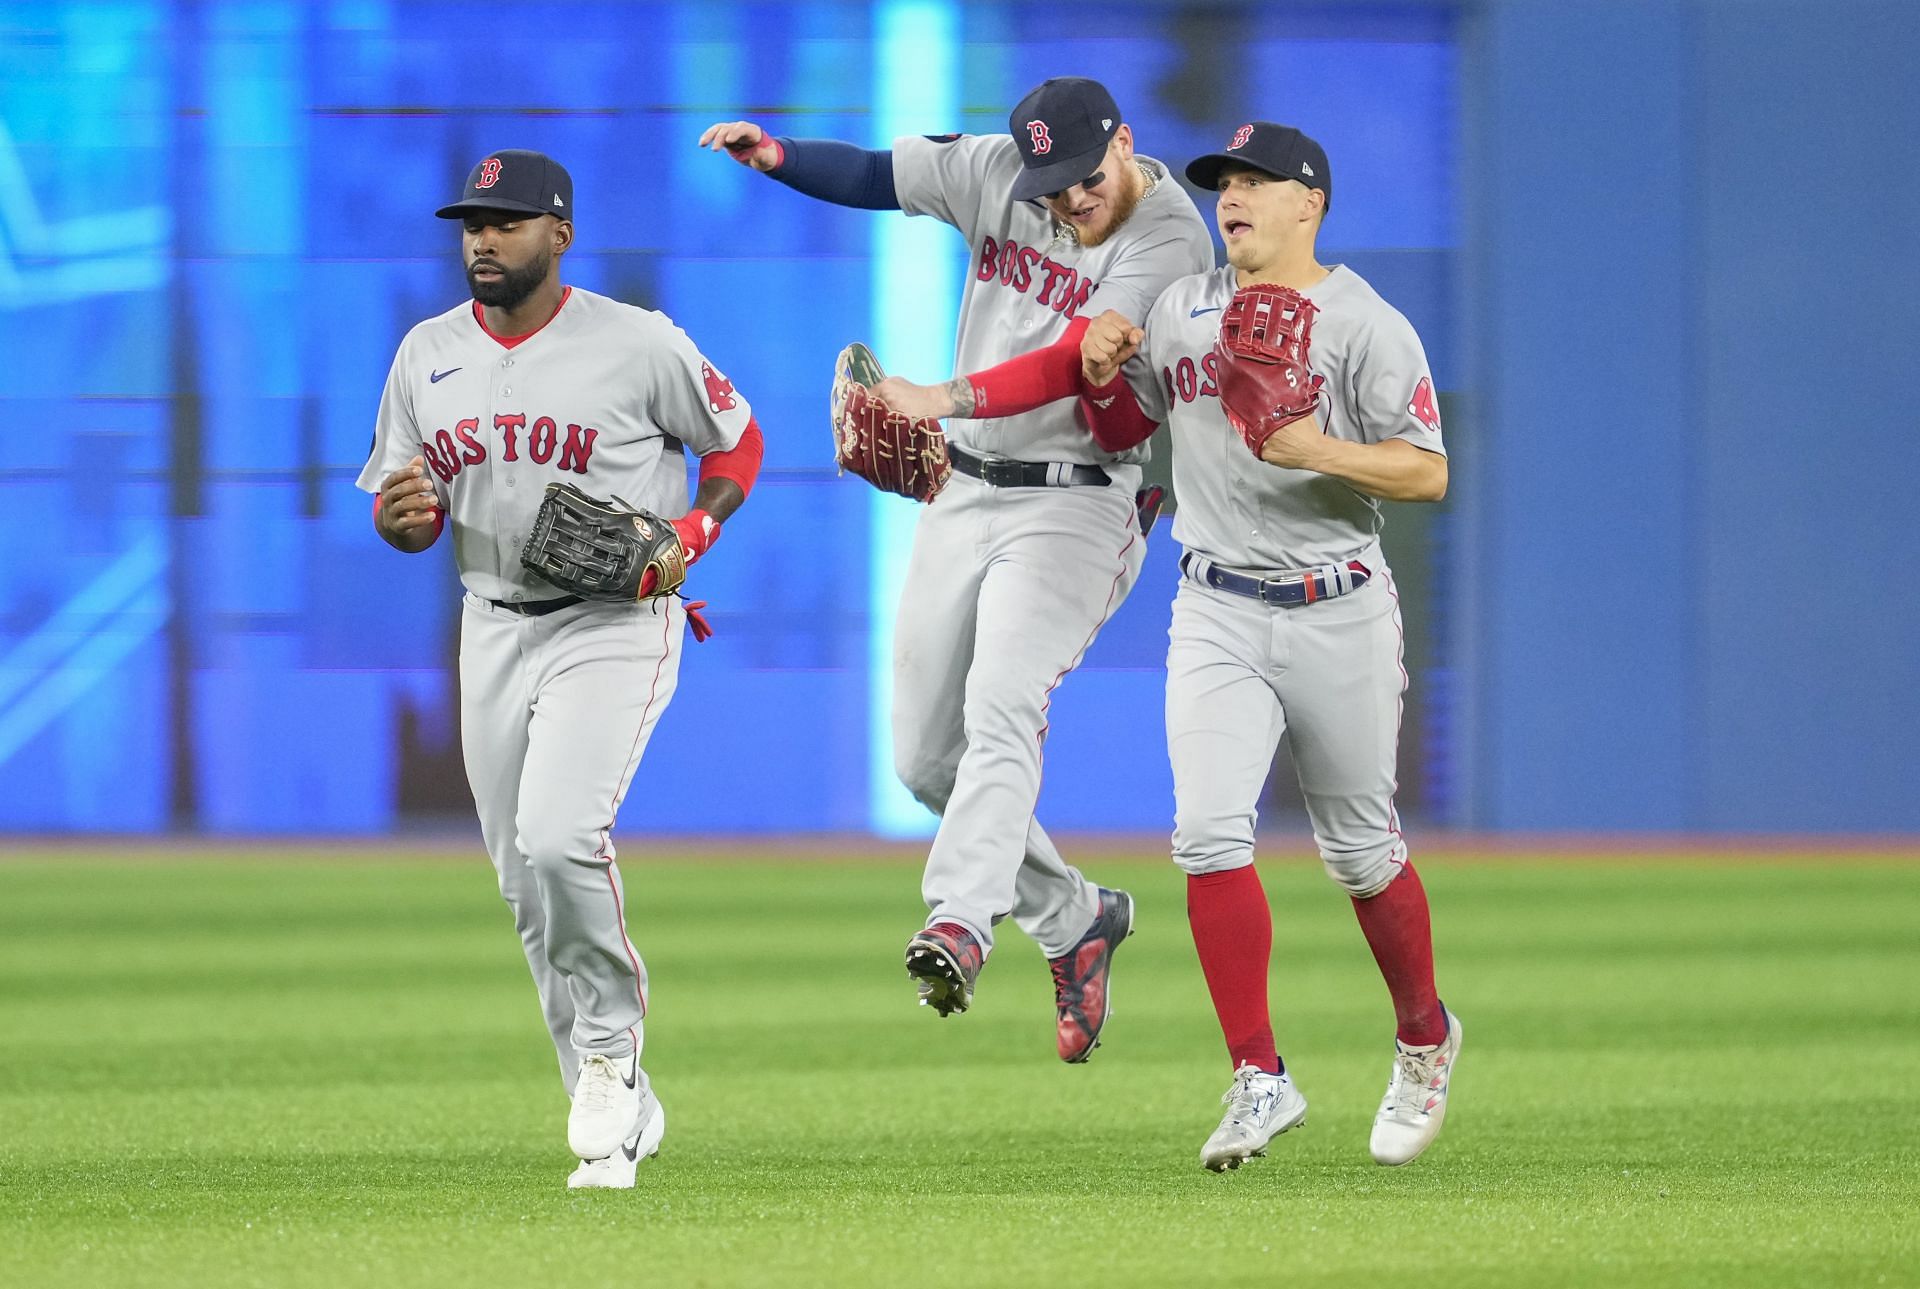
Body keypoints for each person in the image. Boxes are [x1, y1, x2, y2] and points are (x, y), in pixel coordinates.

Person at [698, 78, 1212, 1062]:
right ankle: (1073, 916)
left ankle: (961, 922)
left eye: (1086, 175)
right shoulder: (997, 170)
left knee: (1002, 704)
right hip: (966, 490)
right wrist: (778, 157)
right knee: (926, 759)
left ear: (1127, 142)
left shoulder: (1169, 236)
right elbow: (881, 174)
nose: (1071, 198)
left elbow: (1073, 360)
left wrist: (939, 396)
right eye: (1052, 184)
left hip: (1080, 500)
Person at [358, 149, 764, 1189]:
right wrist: (400, 522)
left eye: (504, 220)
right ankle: (617, 1097)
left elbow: (738, 438)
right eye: (470, 222)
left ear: (558, 232)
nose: (482, 239)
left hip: (613, 622)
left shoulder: (635, 342)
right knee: (523, 882)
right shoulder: (425, 352)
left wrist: (692, 532)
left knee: (559, 833)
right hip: (490, 621)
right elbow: (401, 504)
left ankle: (610, 1053)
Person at [1073, 123, 1462, 1169]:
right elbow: (1123, 432)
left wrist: (1312, 448)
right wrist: (1107, 373)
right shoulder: (1181, 309)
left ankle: (1425, 1037)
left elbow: (1427, 473)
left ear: (1310, 203)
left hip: (1337, 603)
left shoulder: (1366, 322)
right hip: (1215, 606)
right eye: (1223, 183)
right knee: (1205, 832)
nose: (1233, 197)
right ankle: (1259, 1074)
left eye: (1256, 182)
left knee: (1361, 852)